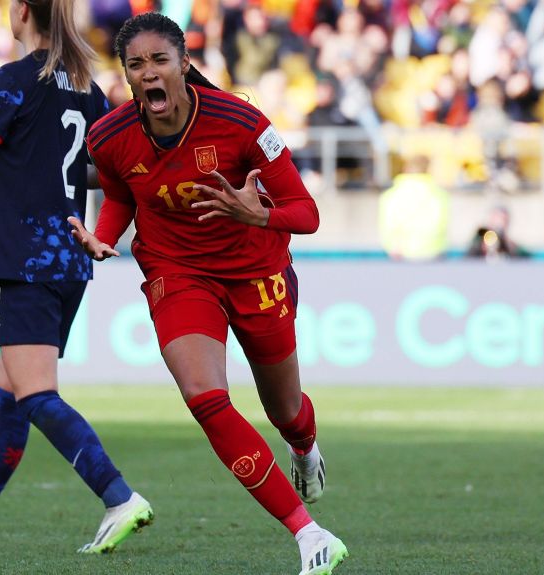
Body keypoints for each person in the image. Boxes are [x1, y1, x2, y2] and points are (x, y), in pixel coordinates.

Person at [68, 13, 348, 575]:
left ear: (184, 64)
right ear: (127, 76)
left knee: (285, 410)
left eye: (159, 61)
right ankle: (309, 533)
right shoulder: (108, 135)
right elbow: (124, 192)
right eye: (136, 65)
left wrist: (259, 212)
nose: (148, 74)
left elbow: (308, 213)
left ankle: (304, 445)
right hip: (177, 270)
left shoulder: (242, 122)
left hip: (255, 270)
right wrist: (103, 236)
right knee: (204, 396)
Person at [0, 0, 152, 554]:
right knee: (12, 400)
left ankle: (118, 496)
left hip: (26, 259)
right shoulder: (83, 85)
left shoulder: (14, 80)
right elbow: (108, 167)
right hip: (71, 260)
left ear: (22, 11)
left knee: (35, 394)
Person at [466, 205, 530, 260]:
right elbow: (467, 258)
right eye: (497, 219)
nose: (500, 223)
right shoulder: (480, 237)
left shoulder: (511, 245)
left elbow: (526, 258)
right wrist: (483, 247)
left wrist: (509, 246)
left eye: (504, 220)